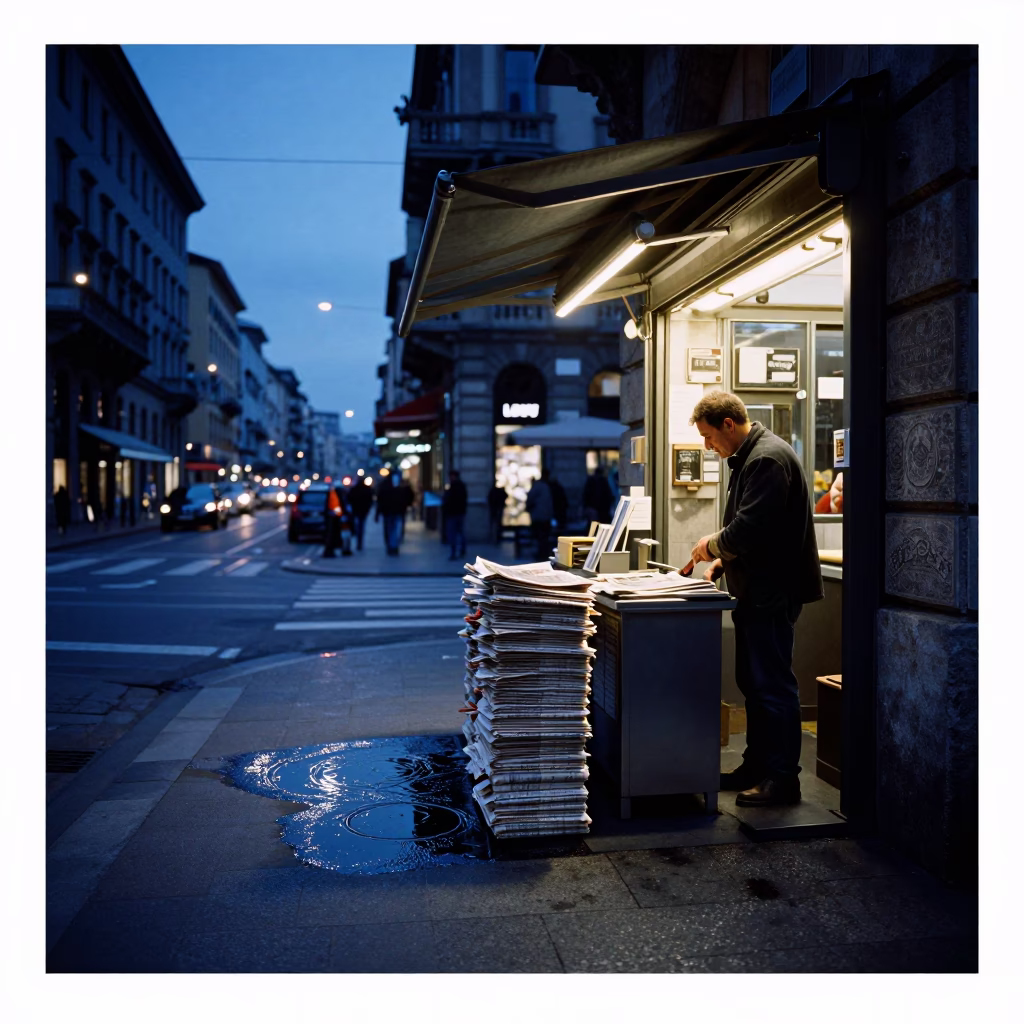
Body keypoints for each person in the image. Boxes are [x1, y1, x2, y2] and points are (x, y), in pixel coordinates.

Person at [687, 390, 822, 808]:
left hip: (771, 593)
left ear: (729, 425)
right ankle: (757, 765)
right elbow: (758, 530)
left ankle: (783, 779)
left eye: (709, 437)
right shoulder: (749, 457)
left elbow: (749, 528)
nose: (708, 447)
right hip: (756, 589)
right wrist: (724, 565)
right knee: (754, 683)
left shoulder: (766, 459)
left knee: (773, 687)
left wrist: (710, 547)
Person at [525, 469, 554, 560]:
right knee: (542, 537)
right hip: (542, 517)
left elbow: (530, 498)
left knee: (541, 537)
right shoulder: (544, 486)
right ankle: (542, 554)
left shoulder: (540, 486)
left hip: (540, 516)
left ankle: (542, 554)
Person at [375, 474, 406, 555]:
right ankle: (393, 546)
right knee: (394, 529)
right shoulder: (399, 489)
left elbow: (380, 501)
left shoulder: (385, 488)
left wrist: (378, 514)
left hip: (389, 512)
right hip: (392, 512)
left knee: (390, 529)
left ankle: (391, 546)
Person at [442, 469, 468, 561]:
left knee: (453, 533)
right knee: (460, 532)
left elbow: (449, 499)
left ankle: (454, 552)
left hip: (453, 513)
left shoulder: (453, 487)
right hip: (459, 512)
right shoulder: (461, 486)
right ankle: (462, 550)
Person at [349, 477, 374, 550]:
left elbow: (349, 499)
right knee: (361, 526)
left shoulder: (354, 489)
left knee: (358, 525)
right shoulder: (367, 489)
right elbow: (370, 500)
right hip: (363, 511)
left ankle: (358, 541)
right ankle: (360, 541)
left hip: (356, 510)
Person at [397, 475, 415, 542]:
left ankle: (400, 534)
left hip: (402, 508)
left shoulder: (405, 489)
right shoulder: (406, 489)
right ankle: (400, 534)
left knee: (401, 521)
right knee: (401, 521)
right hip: (402, 508)